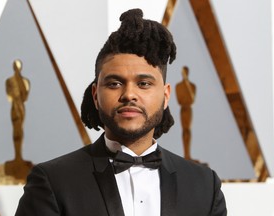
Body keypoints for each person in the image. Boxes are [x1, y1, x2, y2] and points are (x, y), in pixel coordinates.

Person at [15, 8, 227, 216]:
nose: (129, 94)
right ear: (96, 95)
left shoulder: (204, 186)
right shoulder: (53, 182)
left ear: (166, 95)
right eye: (115, 83)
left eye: (143, 83)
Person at [175, 66, 196, 161]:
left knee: (188, 130)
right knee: (184, 130)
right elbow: (179, 100)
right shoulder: (178, 86)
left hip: (189, 108)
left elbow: (192, 99)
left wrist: (187, 84)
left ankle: (188, 154)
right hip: (183, 108)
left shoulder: (192, 86)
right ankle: (186, 154)